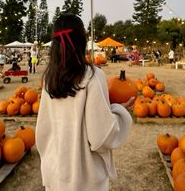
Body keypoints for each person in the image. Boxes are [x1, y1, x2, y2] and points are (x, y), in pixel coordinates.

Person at [36, 14, 134, 191]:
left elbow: (43, 129)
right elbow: (101, 136)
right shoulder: (93, 77)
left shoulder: (49, 79)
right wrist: (119, 110)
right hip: (84, 179)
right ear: (83, 41)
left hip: (55, 170)